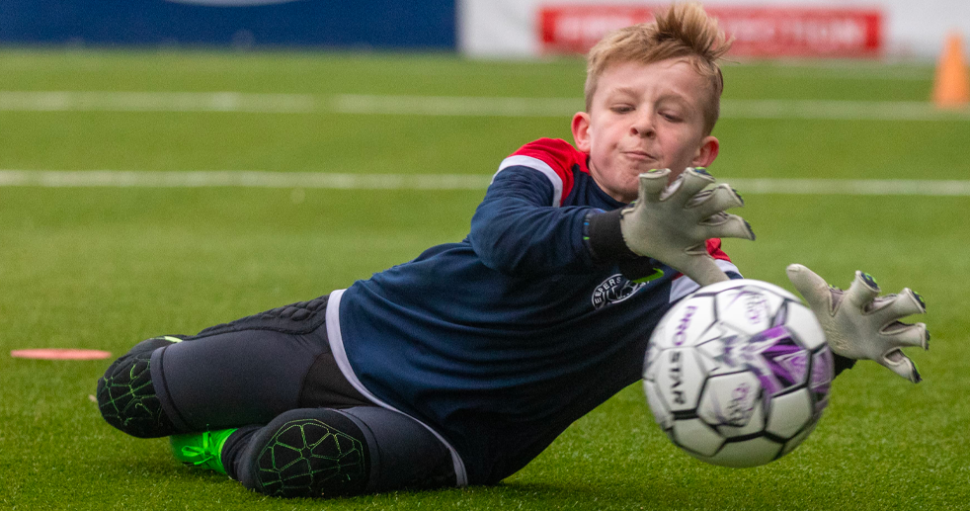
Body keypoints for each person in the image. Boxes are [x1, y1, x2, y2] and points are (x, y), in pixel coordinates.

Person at [96, 3, 929, 499]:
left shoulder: (703, 277)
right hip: (350, 337)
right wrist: (622, 235)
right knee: (127, 394)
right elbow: (505, 240)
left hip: (454, 434)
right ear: (586, 127)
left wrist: (833, 349)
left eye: (670, 115)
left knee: (287, 459)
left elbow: (750, 350)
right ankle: (188, 369)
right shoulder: (544, 168)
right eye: (624, 106)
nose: (644, 123)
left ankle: (223, 441)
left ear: (701, 154)